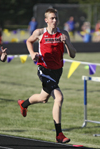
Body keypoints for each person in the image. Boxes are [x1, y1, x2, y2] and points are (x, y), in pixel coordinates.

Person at [17, 8, 76, 143]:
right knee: (59, 98)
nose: (54, 20)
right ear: (46, 20)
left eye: (56, 18)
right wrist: (32, 54)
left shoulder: (64, 33)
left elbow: (73, 54)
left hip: (57, 71)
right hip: (44, 70)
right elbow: (28, 41)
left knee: (44, 98)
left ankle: (23, 104)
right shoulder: (39, 33)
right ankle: (59, 134)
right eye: (52, 18)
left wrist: (66, 42)